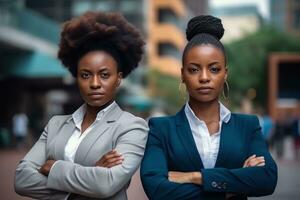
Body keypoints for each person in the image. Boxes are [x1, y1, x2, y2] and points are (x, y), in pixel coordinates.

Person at [140, 15, 277, 200]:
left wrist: (195, 177)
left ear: (225, 74)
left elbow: (267, 178)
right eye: (194, 69)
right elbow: (157, 190)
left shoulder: (248, 126)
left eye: (214, 69)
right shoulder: (161, 128)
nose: (204, 77)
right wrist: (233, 186)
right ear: (182, 75)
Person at [14, 11, 148, 200]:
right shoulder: (55, 125)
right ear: (77, 78)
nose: (94, 83)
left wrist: (53, 168)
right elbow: (21, 180)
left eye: (104, 75)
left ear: (118, 79)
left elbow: (106, 184)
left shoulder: (132, 126)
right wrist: (92, 173)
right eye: (85, 75)